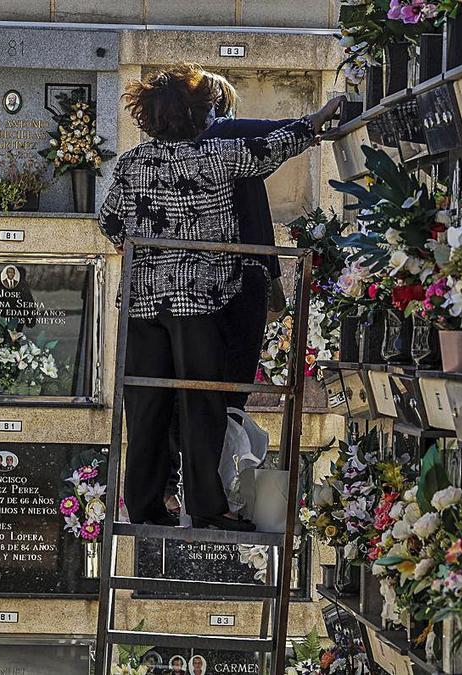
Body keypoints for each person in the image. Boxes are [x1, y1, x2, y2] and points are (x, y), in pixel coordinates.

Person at [98, 62, 341, 531]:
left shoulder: (132, 163)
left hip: (142, 304)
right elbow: (272, 147)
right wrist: (315, 121)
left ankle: (145, 505)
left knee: (146, 406)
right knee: (201, 404)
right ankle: (208, 506)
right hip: (198, 301)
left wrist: (150, 252)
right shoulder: (214, 157)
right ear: (197, 113)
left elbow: (110, 222)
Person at [163, 71, 293, 514]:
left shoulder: (175, 154)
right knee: (229, 388)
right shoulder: (228, 140)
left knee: (193, 389)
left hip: (194, 286)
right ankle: (216, 490)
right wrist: (272, 282)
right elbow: (258, 220)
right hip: (242, 280)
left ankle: (193, 483)